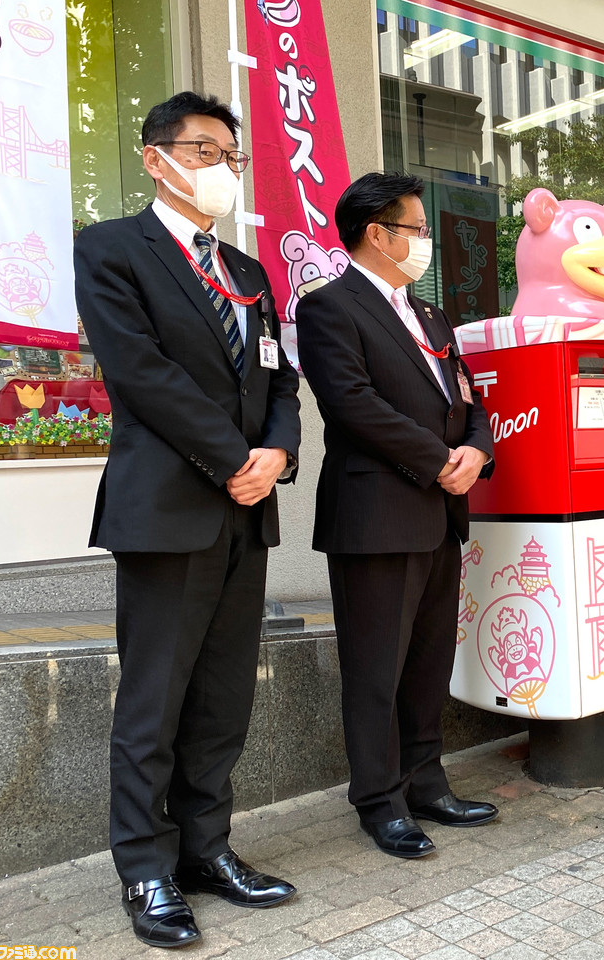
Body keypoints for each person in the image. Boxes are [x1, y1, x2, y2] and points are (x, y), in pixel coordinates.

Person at [74, 91, 301, 948]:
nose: (221, 169)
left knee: (222, 701)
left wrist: (276, 454)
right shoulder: (111, 250)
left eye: (231, 156)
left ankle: (208, 850)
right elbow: (141, 374)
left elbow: (280, 379)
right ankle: (145, 868)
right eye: (204, 151)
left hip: (247, 514)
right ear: (155, 156)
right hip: (169, 511)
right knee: (153, 704)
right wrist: (234, 459)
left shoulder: (246, 272)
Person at [297, 172, 497, 860]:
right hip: (377, 516)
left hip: (442, 514)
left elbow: (469, 399)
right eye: (416, 228)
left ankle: (426, 782)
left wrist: (475, 449)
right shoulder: (328, 307)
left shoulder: (433, 316)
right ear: (378, 235)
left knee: (426, 662)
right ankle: (378, 801)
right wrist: (440, 458)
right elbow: (351, 404)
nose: (425, 242)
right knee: (376, 668)